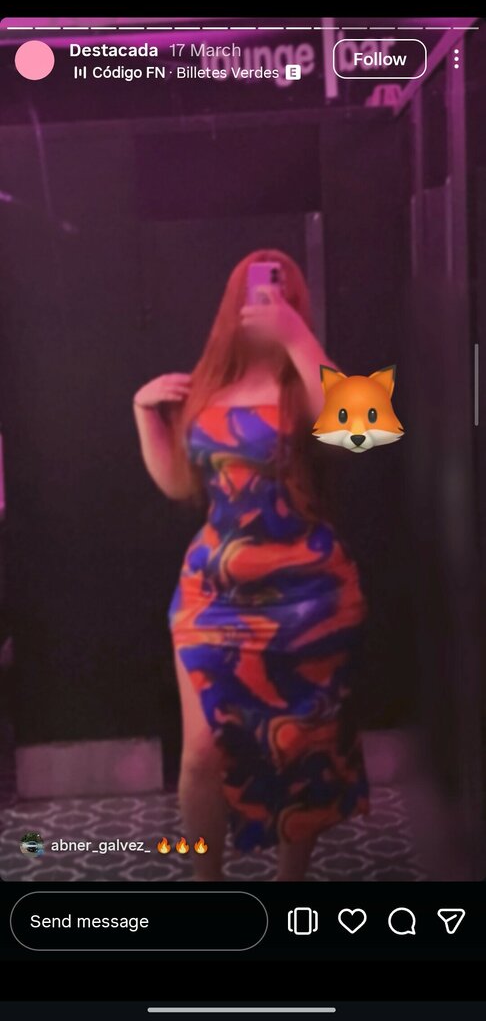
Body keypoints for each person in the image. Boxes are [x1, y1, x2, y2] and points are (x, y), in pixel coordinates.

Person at [133, 249, 368, 881]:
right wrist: (144, 413)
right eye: (256, 284)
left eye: (282, 285)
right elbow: (179, 485)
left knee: (301, 748)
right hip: (212, 594)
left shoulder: (307, 381)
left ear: (298, 299)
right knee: (200, 756)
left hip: (309, 599)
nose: (267, 295)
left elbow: (360, 430)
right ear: (232, 299)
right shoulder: (207, 386)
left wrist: (296, 337)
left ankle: (291, 889)